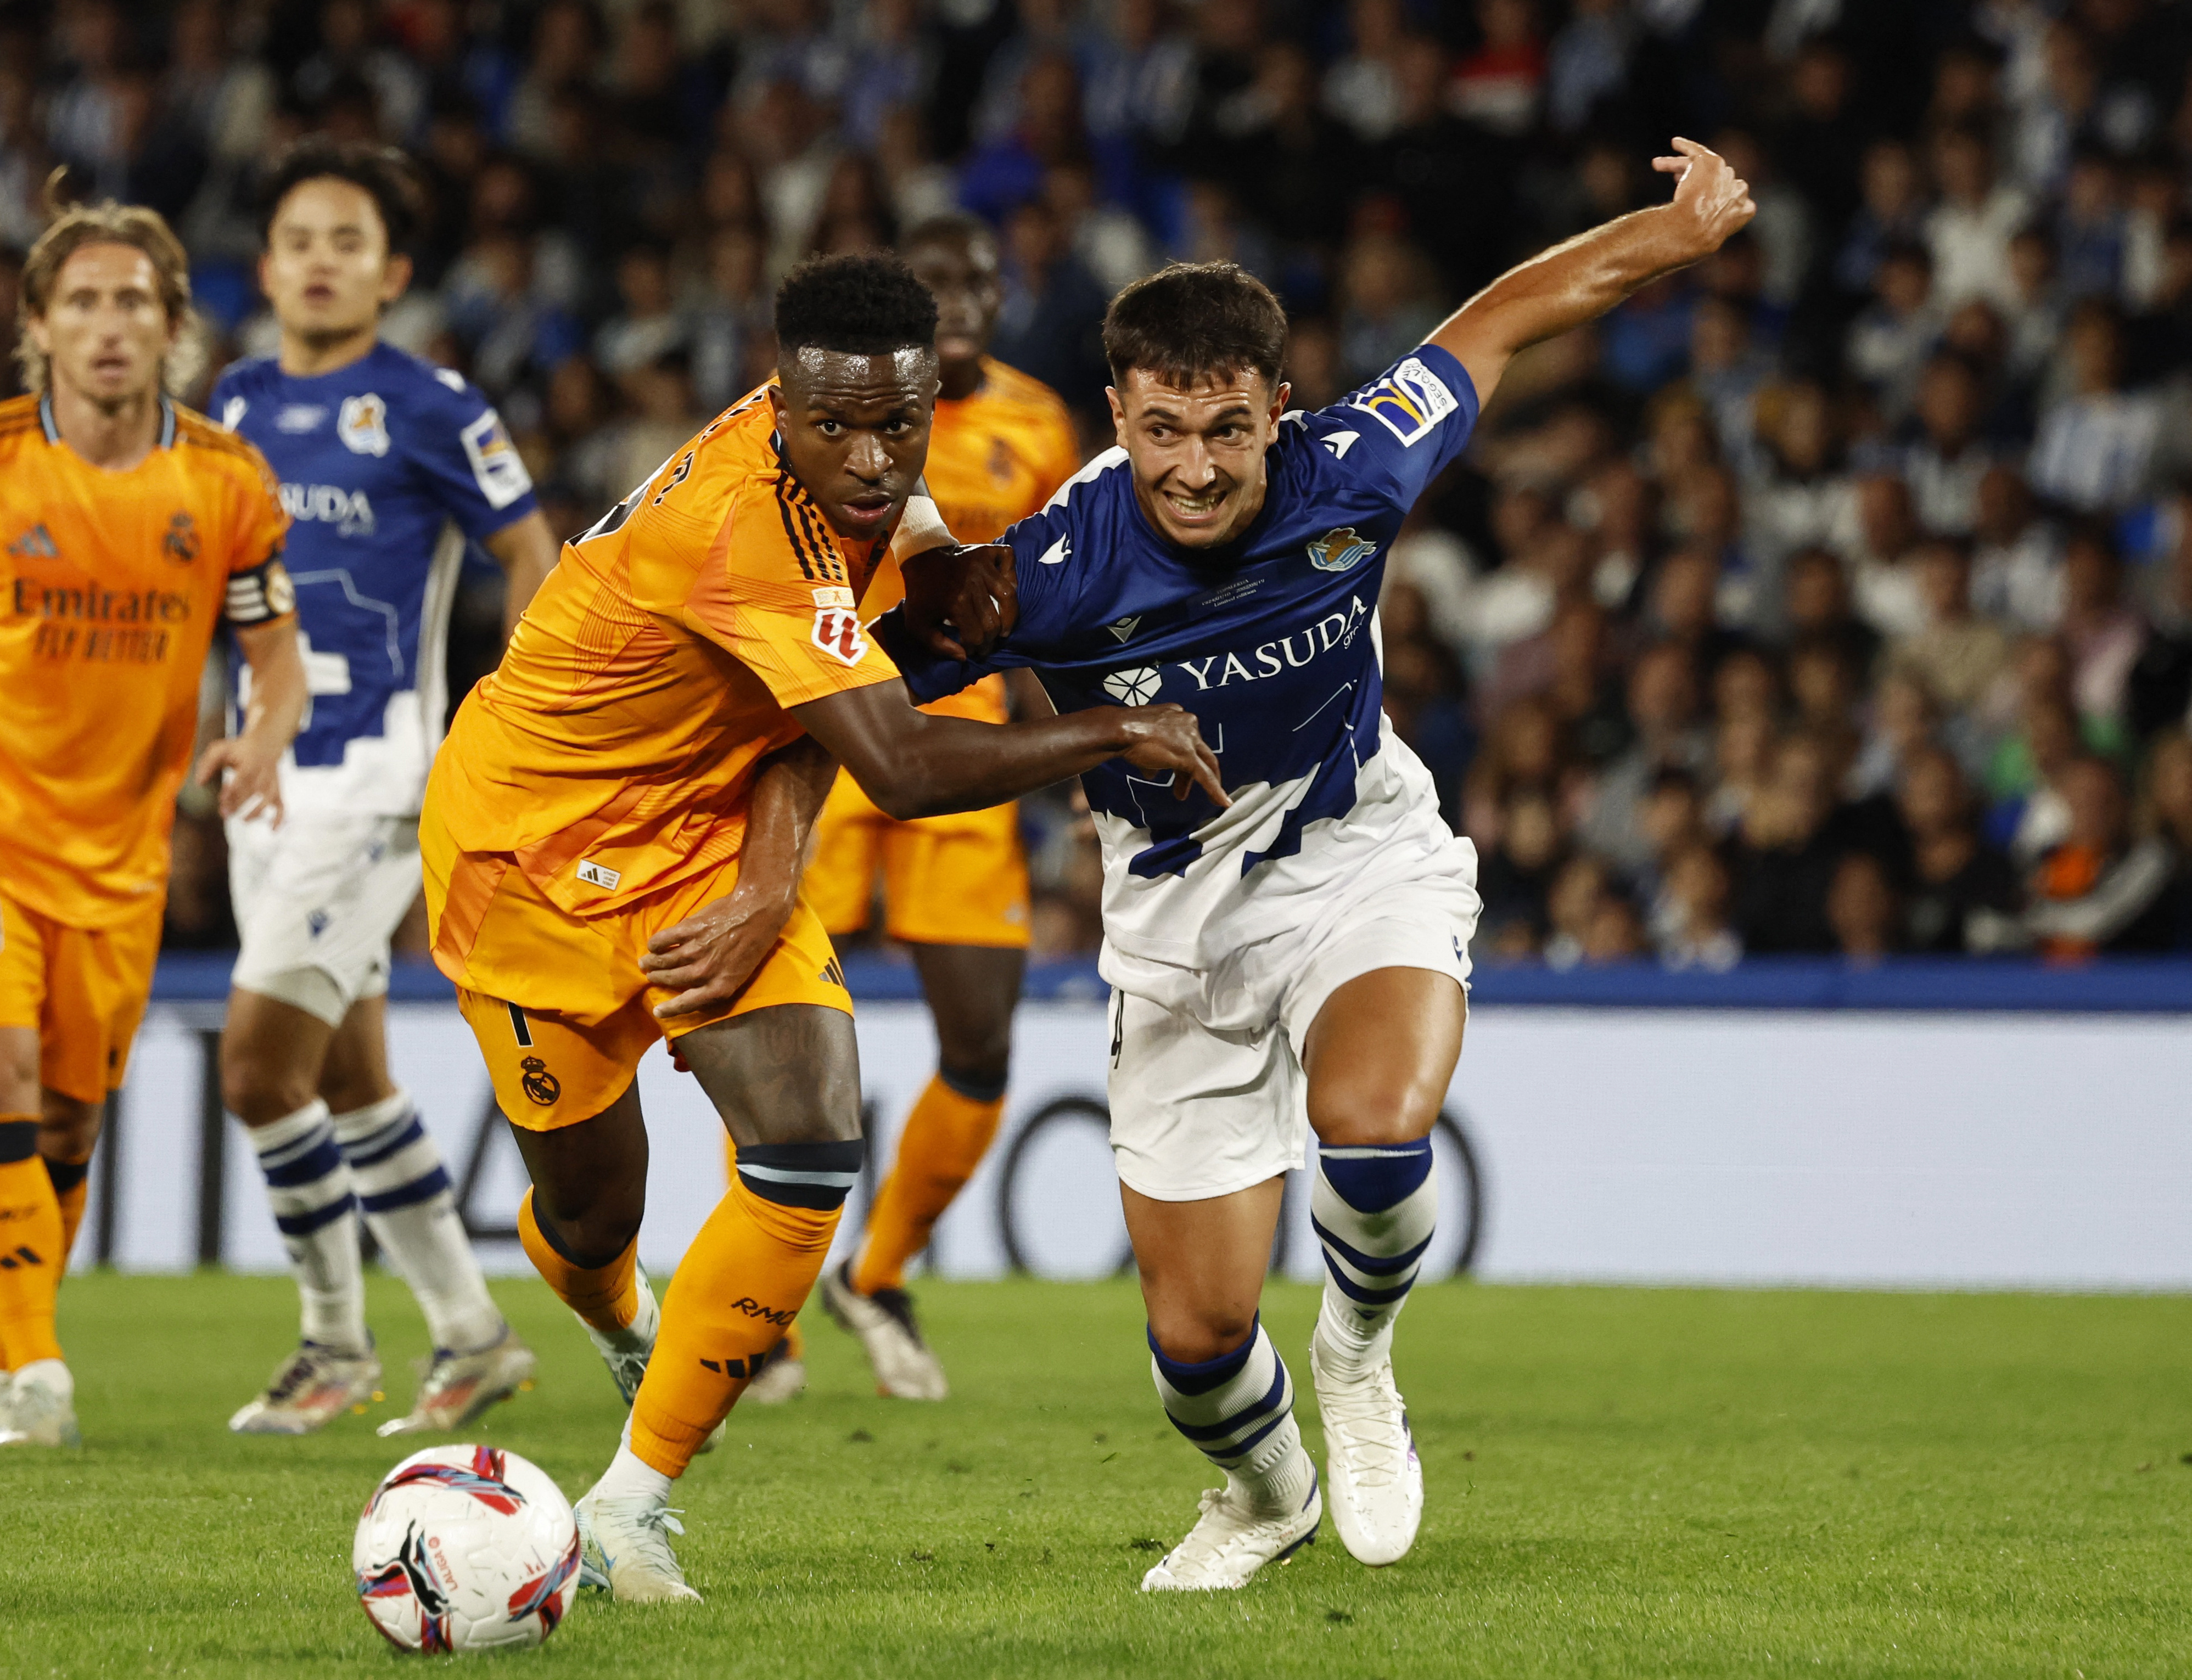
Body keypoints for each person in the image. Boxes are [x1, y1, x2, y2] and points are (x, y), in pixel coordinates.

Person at [876, 139, 1754, 1589]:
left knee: (1373, 1118)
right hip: (1173, 919)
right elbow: (864, 702)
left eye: (1226, 427)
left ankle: (1355, 1357)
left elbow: (1507, 311)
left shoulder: (1353, 463)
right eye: (1162, 429)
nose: (1195, 465)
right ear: (1118, 412)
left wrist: (1674, 232)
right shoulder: (1047, 568)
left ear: (1276, 409)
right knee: (1196, 1345)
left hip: (1358, 851)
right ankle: (1264, 1489)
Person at [417, 251, 1223, 1602]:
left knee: (805, 1135)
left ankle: (627, 1503)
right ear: (775, 394)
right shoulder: (745, 530)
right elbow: (898, 765)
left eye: (896, 426)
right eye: (835, 426)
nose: (868, 456)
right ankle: (624, 1320)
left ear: (926, 400)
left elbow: (830, 681)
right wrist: (1113, 729)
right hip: (526, 853)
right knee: (587, 1208)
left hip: (697, 833)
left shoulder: (840, 465)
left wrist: (766, 875)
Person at [0, 183, 309, 1449]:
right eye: (81, 302)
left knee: (68, 1117)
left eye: (131, 302)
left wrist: (260, 735)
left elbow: (277, 660)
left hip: (121, 852)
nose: (107, 325)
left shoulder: (227, 481)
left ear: (171, 327)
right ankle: (34, 1362)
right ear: (37, 325)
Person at [210, 139, 557, 1439]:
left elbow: (532, 551)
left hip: (374, 777)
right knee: (349, 1076)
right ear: (266, 265)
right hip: (264, 779)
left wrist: (505, 720)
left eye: (347, 241)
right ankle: (471, 1335)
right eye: (299, 238)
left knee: (256, 1066)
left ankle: (333, 1342)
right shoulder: (233, 404)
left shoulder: (432, 405)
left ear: (393, 272)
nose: (319, 261)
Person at [802, 213, 1084, 1404]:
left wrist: (1075, 759)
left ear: (1002, 287)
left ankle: (877, 1272)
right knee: (773, 1017)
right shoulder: (830, 406)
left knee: (980, 1040)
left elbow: (1064, 596)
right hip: (820, 736)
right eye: (938, 281)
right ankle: (764, 1304)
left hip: (958, 744)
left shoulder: (1039, 423)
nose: (962, 296)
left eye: (979, 274)